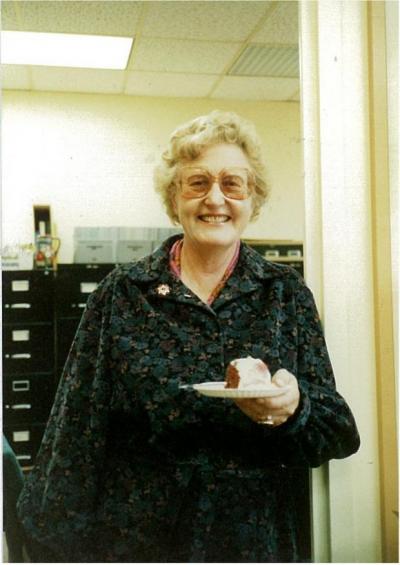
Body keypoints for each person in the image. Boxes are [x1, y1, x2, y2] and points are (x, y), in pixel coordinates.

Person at [17, 110, 360, 562]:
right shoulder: (123, 293)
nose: (215, 199)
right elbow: (76, 430)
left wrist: (293, 407)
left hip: (251, 541)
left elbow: (338, 432)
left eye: (232, 184)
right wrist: (52, 542)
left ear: (252, 199)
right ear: (173, 197)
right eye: (197, 183)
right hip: (138, 540)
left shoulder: (285, 294)